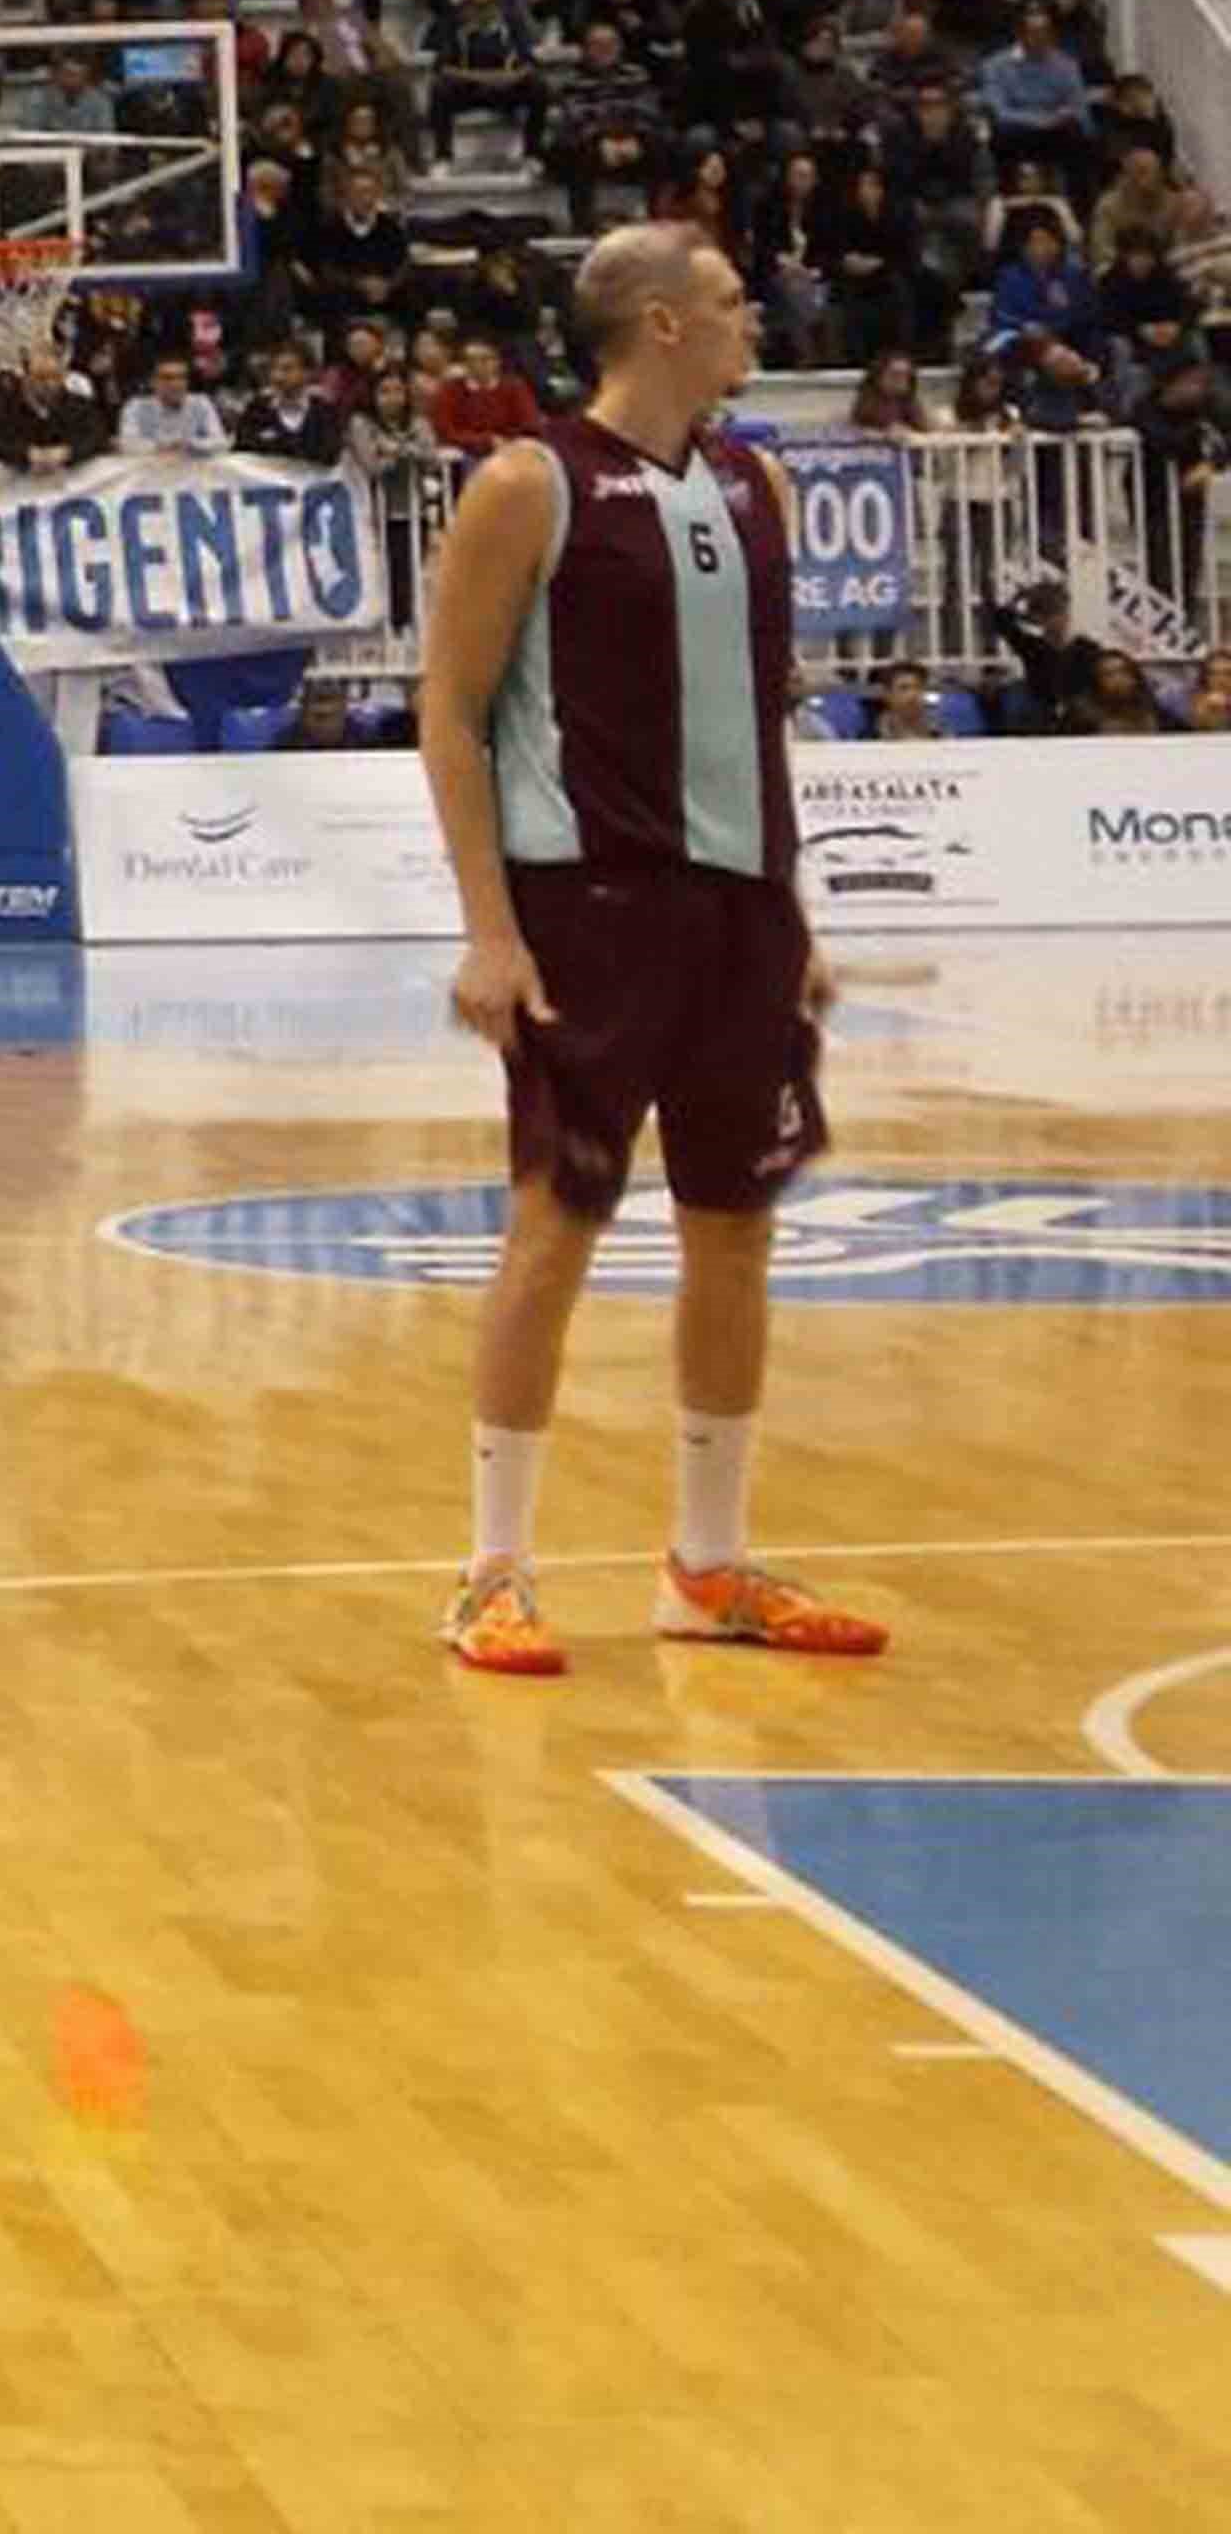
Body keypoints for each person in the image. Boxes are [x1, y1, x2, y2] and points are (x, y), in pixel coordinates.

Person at [414, 224, 881, 1678]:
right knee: (557, 1220)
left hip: (739, 916)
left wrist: (788, 912)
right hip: (587, 909)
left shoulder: (756, 486)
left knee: (734, 1226)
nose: (757, 321)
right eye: (732, 301)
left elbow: (754, 723)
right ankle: (492, 1573)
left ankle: (709, 1565)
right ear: (663, 323)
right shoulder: (528, 484)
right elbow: (451, 713)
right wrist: (489, 931)